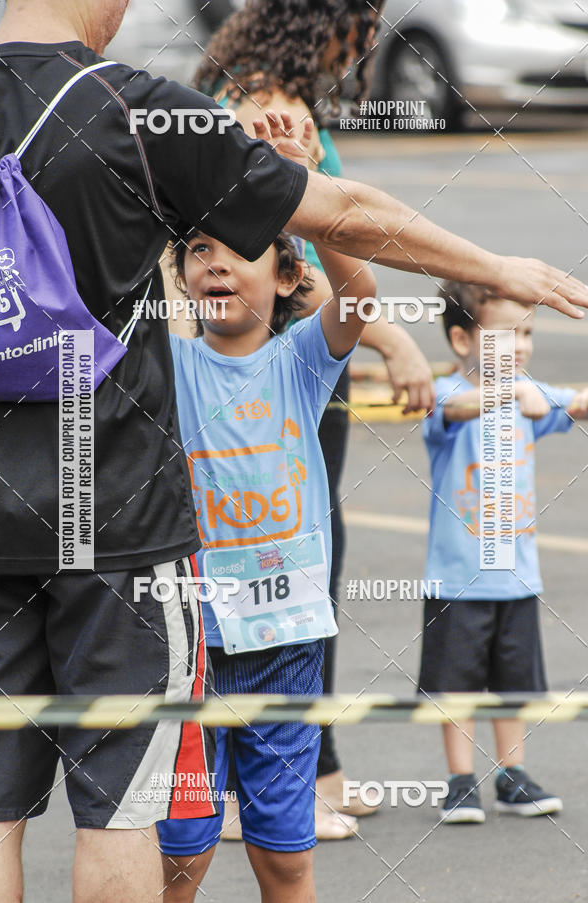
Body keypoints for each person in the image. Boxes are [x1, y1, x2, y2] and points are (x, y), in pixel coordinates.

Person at [0, 3, 587, 900]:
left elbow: (340, 271)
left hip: (1, 518)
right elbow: (344, 208)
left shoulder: (288, 351)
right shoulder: (126, 107)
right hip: (112, 529)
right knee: (123, 814)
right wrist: (495, 270)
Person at [193, 0, 436, 838]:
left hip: (285, 352)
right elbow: (312, 235)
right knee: (286, 565)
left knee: (292, 569)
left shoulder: (249, 91)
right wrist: (394, 344)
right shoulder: (272, 107)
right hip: (278, 363)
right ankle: (252, 790)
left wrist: (383, 336)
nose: (365, 46)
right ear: (320, 24)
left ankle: (313, 770)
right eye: (360, 26)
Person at [156, 169, 376, 898]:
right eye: (197, 248)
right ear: (183, 276)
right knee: (181, 850)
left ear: (286, 277)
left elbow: (361, 297)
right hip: (190, 647)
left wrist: (299, 195)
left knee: (283, 854)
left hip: (286, 643)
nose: (214, 260)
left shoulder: (301, 362)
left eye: (238, 247)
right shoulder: (171, 362)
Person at [419, 281, 588, 823]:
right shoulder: (445, 392)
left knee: (514, 684)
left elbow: (578, 404)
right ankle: (459, 780)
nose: (518, 348)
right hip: (457, 579)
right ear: (462, 340)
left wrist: (559, 400)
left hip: (517, 576)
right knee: (457, 685)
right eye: (504, 336)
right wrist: (513, 395)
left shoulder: (528, 390)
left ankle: (513, 775)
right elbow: (457, 410)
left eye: (528, 335)